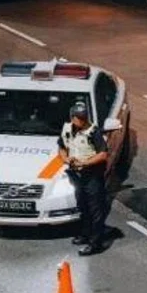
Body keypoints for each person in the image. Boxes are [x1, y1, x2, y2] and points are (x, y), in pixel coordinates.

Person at [57, 102, 109, 256]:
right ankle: (85, 234)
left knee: (96, 210)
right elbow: (62, 147)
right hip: (76, 175)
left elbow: (103, 154)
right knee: (82, 207)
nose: (82, 120)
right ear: (72, 118)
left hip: (92, 176)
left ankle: (95, 243)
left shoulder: (94, 132)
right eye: (79, 118)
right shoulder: (67, 129)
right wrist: (66, 159)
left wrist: (85, 163)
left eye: (84, 117)